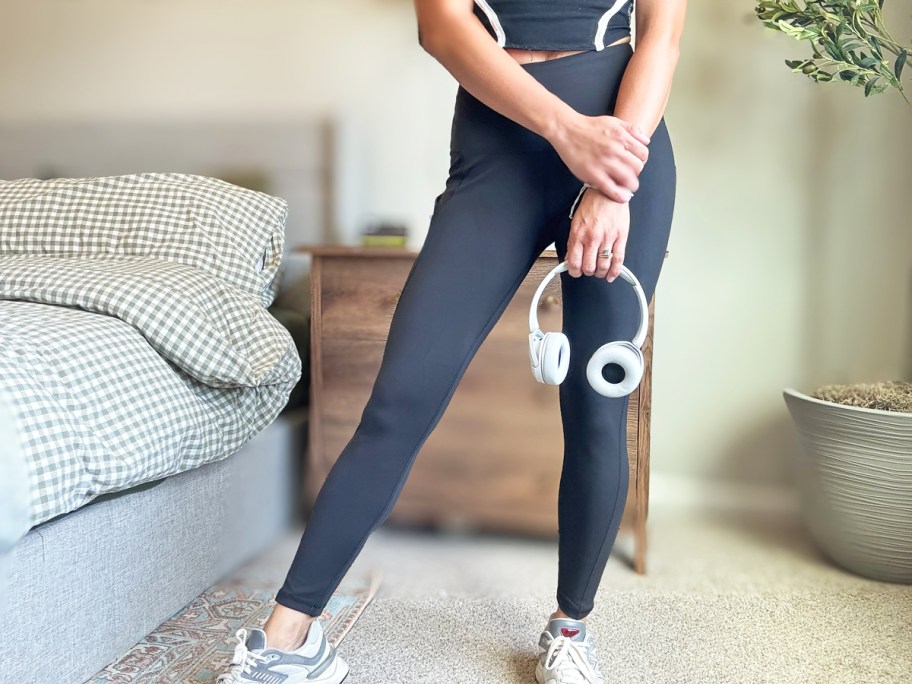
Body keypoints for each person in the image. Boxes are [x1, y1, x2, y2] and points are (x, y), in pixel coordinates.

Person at [217, 1, 686, 682]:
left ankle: (570, 627)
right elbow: (440, 27)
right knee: (400, 401)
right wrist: (565, 130)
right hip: (498, 148)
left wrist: (611, 183)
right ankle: (289, 638)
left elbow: (660, 40)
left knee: (596, 407)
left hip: (621, 148)